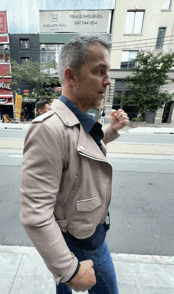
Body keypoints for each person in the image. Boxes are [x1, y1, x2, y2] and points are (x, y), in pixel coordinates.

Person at [20, 35, 129, 293]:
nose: (107, 80)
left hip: (84, 233)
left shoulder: (79, 121)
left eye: (108, 72)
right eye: (99, 71)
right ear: (71, 77)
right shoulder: (48, 129)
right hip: (83, 242)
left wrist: (111, 130)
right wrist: (69, 269)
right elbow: (35, 214)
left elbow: (87, 152)